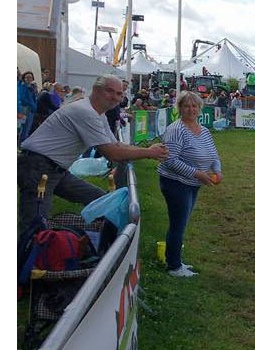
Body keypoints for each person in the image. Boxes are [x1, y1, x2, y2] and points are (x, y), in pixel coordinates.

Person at [19, 75, 168, 249]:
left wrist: (145, 151)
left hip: (56, 169)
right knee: (34, 227)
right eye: (110, 91)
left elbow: (116, 145)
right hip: (38, 168)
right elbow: (112, 152)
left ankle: (95, 246)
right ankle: (28, 268)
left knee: (101, 199)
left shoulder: (98, 114)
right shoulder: (86, 112)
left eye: (119, 94)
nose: (115, 97)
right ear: (96, 90)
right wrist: (149, 153)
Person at [157, 92, 223, 277]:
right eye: (186, 106)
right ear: (180, 108)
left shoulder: (204, 130)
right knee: (178, 224)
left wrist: (217, 170)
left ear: (200, 109)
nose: (191, 109)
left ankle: (176, 260)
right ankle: (174, 266)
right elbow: (169, 160)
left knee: (182, 222)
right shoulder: (176, 130)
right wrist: (196, 173)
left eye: (194, 106)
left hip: (193, 183)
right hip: (175, 183)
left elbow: (213, 154)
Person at [18, 71, 38, 144]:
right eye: (27, 77)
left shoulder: (31, 87)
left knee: (27, 128)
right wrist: (31, 105)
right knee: (22, 129)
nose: (29, 79)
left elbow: (34, 98)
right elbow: (23, 98)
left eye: (31, 77)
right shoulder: (23, 86)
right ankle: (19, 145)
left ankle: (22, 144)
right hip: (24, 109)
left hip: (31, 110)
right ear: (24, 78)